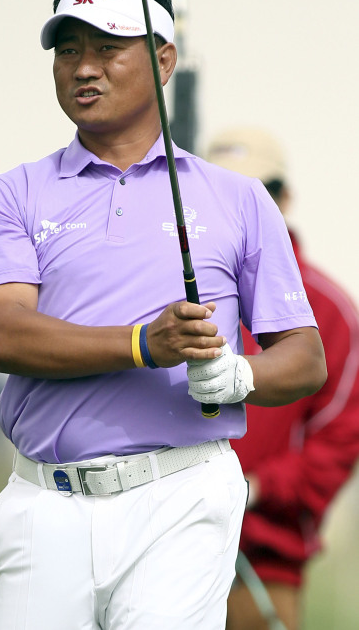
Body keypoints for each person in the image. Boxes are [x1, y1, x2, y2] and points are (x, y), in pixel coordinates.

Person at [0, 0, 326, 630]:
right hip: (45, 500)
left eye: (106, 47)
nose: (83, 68)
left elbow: (304, 358)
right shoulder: (11, 193)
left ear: (163, 60)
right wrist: (142, 345)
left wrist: (239, 375)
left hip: (181, 495)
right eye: (68, 50)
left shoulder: (239, 199)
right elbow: (0, 335)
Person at [206, 127, 359, 630]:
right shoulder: (168, 292)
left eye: (260, 191)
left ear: (284, 197)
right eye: (223, 188)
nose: (243, 205)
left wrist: (259, 487)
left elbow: (338, 441)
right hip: (157, 545)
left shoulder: (330, 310)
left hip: (264, 559)